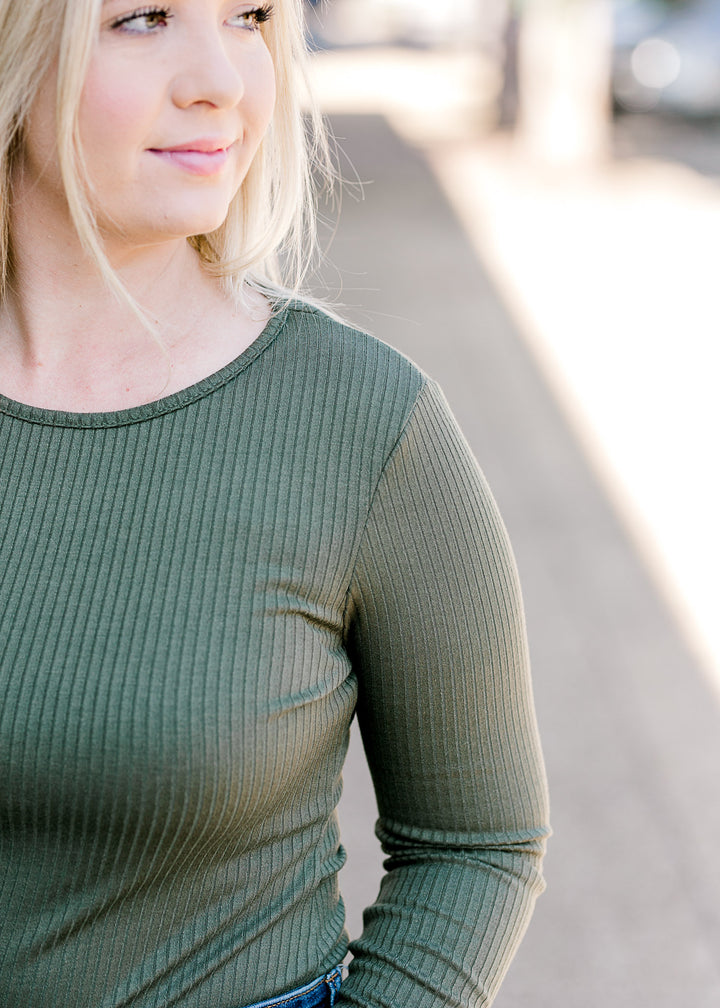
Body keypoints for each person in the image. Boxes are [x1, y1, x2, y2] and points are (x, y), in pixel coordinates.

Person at [0, 1, 550, 1006]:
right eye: (144, 18)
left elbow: (477, 844)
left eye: (249, 15)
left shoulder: (363, 422)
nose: (221, 80)